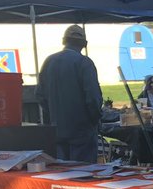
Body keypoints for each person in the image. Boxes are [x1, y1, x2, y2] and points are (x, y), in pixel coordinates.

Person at [36, 24, 103, 162]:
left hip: (57, 131)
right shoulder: (84, 63)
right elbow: (93, 99)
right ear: (84, 44)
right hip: (82, 133)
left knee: (63, 176)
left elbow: (40, 96)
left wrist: (53, 117)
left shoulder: (49, 61)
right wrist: (95, 120)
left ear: (64, 41)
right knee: (84, 176)